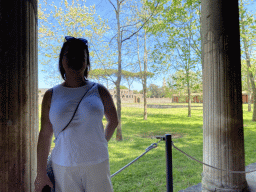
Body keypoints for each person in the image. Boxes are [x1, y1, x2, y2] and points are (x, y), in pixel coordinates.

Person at [34, 36, 118, 192]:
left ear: (87, 62)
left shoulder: (99, 90)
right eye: (69, 55)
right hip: (63, 165)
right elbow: (45, 134)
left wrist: (102, 141)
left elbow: (113, 121)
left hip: (97, 162)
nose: (75, 59)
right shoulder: (51, 95)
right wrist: (41, 173)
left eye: (81, 56)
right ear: (61, 60)